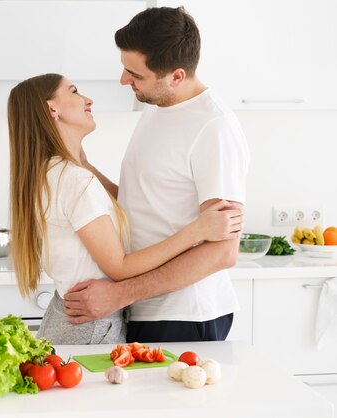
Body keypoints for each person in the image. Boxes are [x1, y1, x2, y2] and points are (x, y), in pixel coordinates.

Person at [7, 73, 243, 345]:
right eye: (74, 91)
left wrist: (92, 170)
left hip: (71, 320)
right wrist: (197, 230)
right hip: (90, 326)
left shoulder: (54, 173)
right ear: (52, 109)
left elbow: (125, 209)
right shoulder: (75, 180)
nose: (87, 99)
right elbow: (119, 267)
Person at [62, 6, 251, 343]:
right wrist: (87, 168)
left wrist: (120, 293)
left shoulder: (214, 128)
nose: (124, 80)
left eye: (135, 74)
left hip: (185, 315)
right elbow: (142, 203)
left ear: (175, 76)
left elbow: (223, 251)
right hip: (144, 306)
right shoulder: (159, 105)